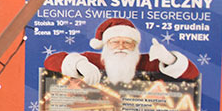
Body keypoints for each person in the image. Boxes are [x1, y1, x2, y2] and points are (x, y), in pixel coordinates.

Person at [43, 18, 199, 85]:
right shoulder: (93, 60)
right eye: (115, 42)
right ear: (105, 45)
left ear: (135, 45)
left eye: (127, 43)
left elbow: (192, 75)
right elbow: (50, 62)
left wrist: (170, 60)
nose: (121, 46)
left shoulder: (148, 62)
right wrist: (79, 64)